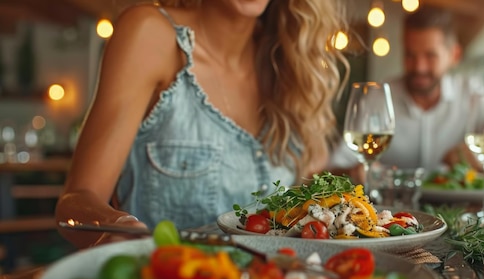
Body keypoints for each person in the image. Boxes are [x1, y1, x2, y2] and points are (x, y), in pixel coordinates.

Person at [55, 0, 348, 249]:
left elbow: (307, 192)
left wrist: (346, 179)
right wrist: (116, 226)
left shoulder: (292, 60)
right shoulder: (151, 35)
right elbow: (75, 200)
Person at [329, 5, 484, 188]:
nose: (419, 67)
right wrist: (354, 171)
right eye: (410, 55)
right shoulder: (378, 97)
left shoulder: (474, 96)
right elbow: (334, 164)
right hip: (393, 218)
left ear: (454, 55)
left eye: (430, 56)